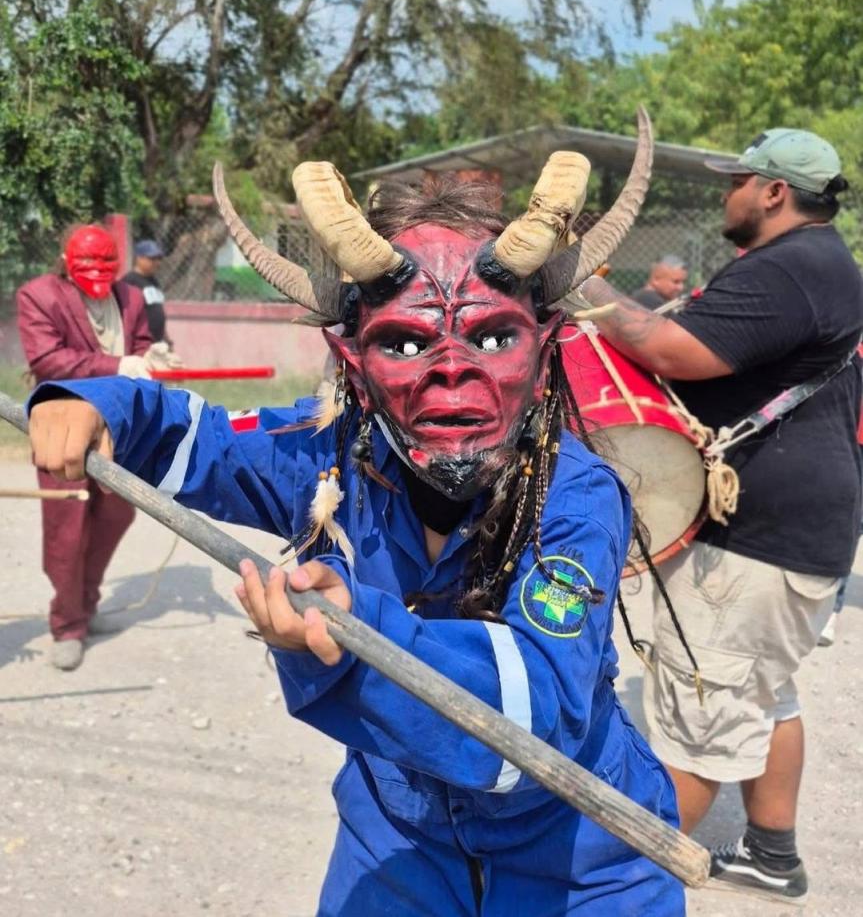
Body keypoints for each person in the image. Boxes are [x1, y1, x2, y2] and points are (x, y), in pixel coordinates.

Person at [24, 124, 687, 914]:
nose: (451, 373)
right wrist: (93, 402)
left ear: (545, 351)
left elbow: (531, 717)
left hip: (580, 856)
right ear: (355, 366)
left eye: (492, 336)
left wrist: (354, 630)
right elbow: (198, 440)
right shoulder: (329, 457)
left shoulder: (574, 495)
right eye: (404, 343)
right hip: (398, 843)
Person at [578, 127, 863, 903]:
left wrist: (582, 283)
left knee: (696, 718)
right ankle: (771, 855)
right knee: (764, 692)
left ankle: (614, 888)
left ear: (773, 191)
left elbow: (672, 350)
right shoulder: (816, 264)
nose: (724, 194)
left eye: (735, 181)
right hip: (798, 534)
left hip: (757, 543)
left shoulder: (791, 268)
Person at [15, 224, 160, 670]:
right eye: (87, 264)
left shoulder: (130, 297)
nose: (98, 273)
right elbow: (47, 360)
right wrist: (117, 363)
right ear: (66, 259)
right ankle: (67, 624)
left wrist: (152, 358)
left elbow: (141, 346)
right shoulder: (39, 295)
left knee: (117, 514)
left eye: (105, 264)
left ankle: (87, 603)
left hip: (117, 425)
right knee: (68, 527)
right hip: (62, 424)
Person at [121, 238, 170, 344]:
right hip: (140, 342)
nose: (157, 263)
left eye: (159, 259)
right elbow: (124, 314)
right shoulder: (129, 281)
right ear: (139, 258)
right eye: (152, 259)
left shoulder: (154, 281)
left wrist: (166, 339)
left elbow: (158, 311)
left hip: (157, 341)